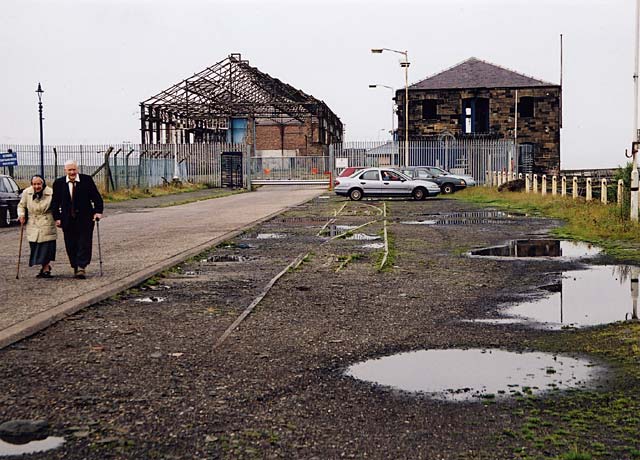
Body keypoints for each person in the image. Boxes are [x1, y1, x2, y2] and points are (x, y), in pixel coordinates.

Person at [51, 160, 103, 279]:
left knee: (84, 242)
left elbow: (96, 197)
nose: (72, 172)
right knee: (71, 244)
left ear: (77, 169)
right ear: (65, 171)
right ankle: (75, 265)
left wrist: (98, 212)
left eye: (74, 169)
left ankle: (81, 266)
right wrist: (57, 218)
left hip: (85, 218)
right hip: (67, 220)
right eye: (70, 170)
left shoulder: (86, 180)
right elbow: (55, 202)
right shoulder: (59, 183)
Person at [17, 175, 57, 278]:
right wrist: (21, 215)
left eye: (39, 184)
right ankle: (44, 267)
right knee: (35, 246)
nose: (36, 186)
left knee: (46, 246)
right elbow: (21, 205)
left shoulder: (51, 192)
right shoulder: (27, 192)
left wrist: (58, 218)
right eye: (34, 184)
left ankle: (46, 267)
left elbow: (57, 206)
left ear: (43, 184)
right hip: (33, 222)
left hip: (46, 221)